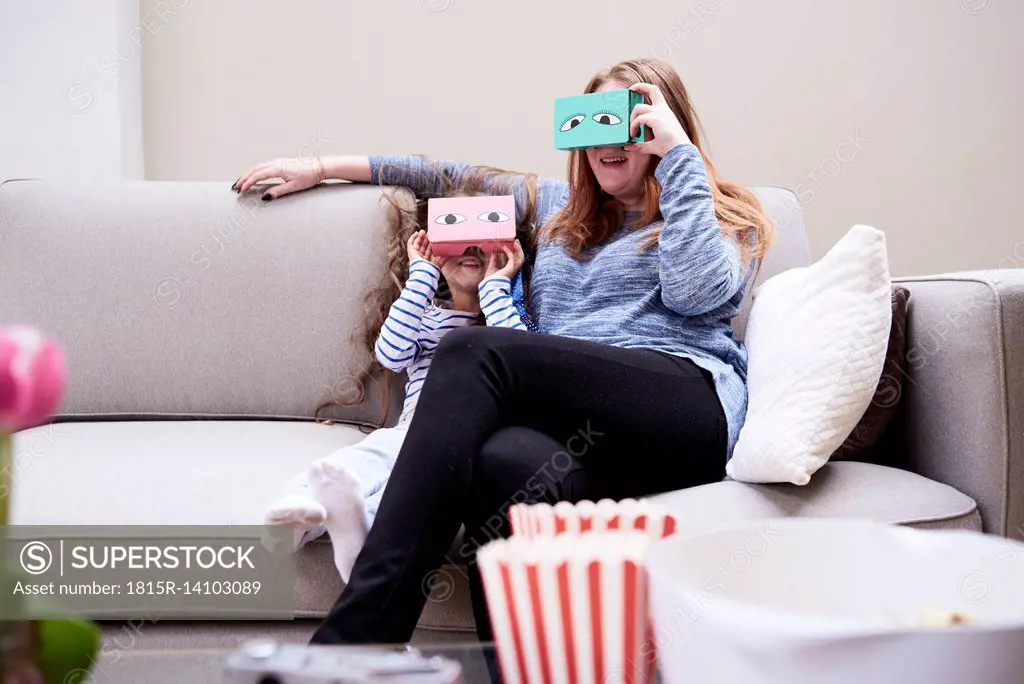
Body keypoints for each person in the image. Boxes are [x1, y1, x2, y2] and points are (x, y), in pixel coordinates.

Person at [233, 57, 776, 645]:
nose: (609, 141)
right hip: (581, 430)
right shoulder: (554, 210)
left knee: (470, 351)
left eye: (629, 122)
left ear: (663, 125)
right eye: (595, 124)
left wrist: (678, 161)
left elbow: (697, 293)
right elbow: (438, 175)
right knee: (506, 467)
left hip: (680, 407)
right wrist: (319, 167)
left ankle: (352, 641)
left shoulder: (716, 208)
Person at [264, 226, 527, 582]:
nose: (469, 247)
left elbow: (521, 363)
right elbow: (390, 354)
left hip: (465, 442)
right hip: (413, 428)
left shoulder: (508, 319)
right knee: (362, 459)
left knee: (410, 488)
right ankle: (299, 513)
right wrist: (422, 277)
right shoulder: (428, 319)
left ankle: (362, 528)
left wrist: (496, 290)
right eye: (458, 236)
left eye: (482, 240)